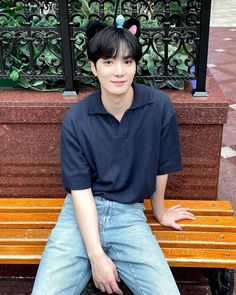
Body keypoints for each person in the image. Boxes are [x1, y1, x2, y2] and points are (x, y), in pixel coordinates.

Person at [32, 16, 195, 295]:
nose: (119, 71)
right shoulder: (76, 119)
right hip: (79, 214)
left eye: (127, 61)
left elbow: (160, 167)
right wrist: (96, 256)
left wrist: (159, 210)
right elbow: (80, 190)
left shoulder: (159, 107)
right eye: (108, 62)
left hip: (129, 215)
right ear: (94, 68)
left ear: (135, 65)